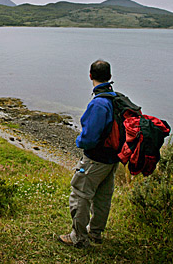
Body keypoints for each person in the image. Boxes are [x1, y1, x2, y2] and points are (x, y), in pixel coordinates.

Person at [57, 59, 120, 248]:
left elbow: (89, 138)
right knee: (102, 197)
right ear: (109, 77)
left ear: (90, 76)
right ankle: (96, 233)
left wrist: (79, 142)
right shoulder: (115, 99)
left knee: (80, 195)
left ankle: (78, 237)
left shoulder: (99, 104)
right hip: (111, 159)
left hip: (95, 159)